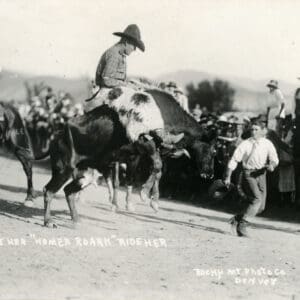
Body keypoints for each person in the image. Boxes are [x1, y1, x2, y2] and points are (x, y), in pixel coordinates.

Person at [223, 120, 279, 237]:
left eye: (256, 129)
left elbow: (274, 158)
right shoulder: (245, 144)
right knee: (256, 199)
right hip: (248, 174)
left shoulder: (267, 143)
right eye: (252, 129)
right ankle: (242, 226)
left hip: (262, 174)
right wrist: (228, 176)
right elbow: (234, 160)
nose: (253, 132)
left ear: (263, 131)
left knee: (261, 207)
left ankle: (238, 218)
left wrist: (272, 165)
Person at [85, 24, 145, 111]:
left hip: (112, 93)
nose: (134, 49)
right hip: (106, 96)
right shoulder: (114, 55)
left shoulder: (119, 54)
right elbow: (106, 80)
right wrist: (126, 85)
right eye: (134, 45)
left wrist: (131, 83)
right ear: (127, 42)